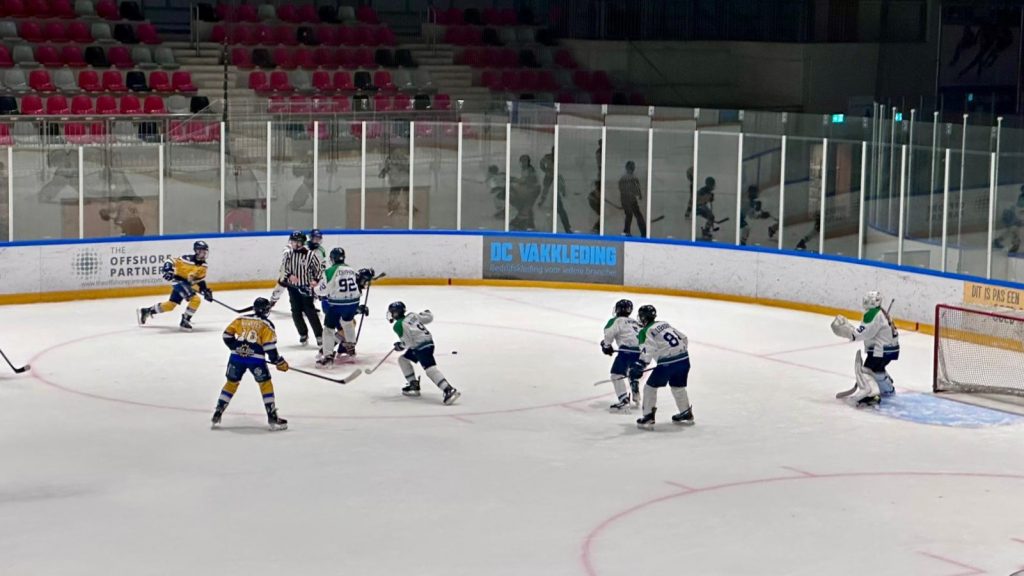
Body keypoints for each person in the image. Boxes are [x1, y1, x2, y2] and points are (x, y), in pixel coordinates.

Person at [211, 297, 289, 431]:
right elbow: (269, 347)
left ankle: (218, 412)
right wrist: (278, 361)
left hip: (236, 358)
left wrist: (238, 348)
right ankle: (272, 415)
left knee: (231, 383)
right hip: (256, 360)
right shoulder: (266, 324)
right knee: (265, 384)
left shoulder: (241, 319)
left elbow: (226, 336)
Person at [628, 305, 694, 430]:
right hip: (684, 359)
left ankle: (648, 416)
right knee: (678, 387)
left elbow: (647, 350)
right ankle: (685, 412)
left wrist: (641, 364)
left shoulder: (645, 331)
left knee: (650, 387)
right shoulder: (664, 323)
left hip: (668, 363)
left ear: (643, 318)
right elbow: (684, 338)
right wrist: (676, 352)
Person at [830, 290, 899, 407]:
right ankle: (888, 390)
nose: (865, 302)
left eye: (867, 300)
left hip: (880, 350)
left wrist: (848, 332)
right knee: (877, 371)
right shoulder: (882, 312)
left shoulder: (872, 313)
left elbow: (864, 333)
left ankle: (871, 395)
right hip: (891, 349)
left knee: (865, 371)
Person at [388, 301, 461, 405]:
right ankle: (413, 385)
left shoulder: (398, 325)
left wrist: (400, 346)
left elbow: (408, 343)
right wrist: (427, 313)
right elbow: (428, 318)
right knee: (403, 360)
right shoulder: (412, 315)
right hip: (429, 343)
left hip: (420, 347)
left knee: (430, 369)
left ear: (395, 313)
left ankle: (448, 389)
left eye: (392, 312)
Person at [315, 247, 373, 367]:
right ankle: (350, 347)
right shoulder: (351, 269)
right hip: (353, 303)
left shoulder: (330, 271)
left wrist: (314, 290)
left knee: (328, 329)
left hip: (337, 304)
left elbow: (323, 290)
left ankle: (328, 356)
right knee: (348, 323)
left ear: (332, 259)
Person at [138, 240, 212, 331]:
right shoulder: (186, 259)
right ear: (197, 251)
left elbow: (198, 280)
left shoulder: (204, 266)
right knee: (195, 300)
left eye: (205, 252)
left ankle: (147, 311)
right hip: (178, 282)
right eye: (202, 252)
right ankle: (185, 320)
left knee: (170, 305)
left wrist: (205, 290)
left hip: (186, 284)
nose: (204, 254)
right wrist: (168, 270)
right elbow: (170, 261)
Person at [271, 230, 324, 349]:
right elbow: (283, 269)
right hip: (292, 288)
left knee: (310, 311)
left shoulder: (310, 255)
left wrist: (315, 280)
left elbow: (319, 270)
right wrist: (289, 275)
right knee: (295, 311)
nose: (294, 244)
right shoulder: (289, 254)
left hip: (306, 287)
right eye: (293, 241)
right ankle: (303, 333)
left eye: (296, 242)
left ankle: (319, 336)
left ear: (302, 243)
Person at [601, 299, 642, 411]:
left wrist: (606, 346)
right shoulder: (636, 322)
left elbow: (609, 333)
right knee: (632, 372)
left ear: (618, 309)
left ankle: (624, 400)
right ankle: (635, 390)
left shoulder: (616, 320)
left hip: (626, 352)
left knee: (616, 375)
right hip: (640, 352)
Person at [539, 152, 573, 233]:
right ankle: (566, 228)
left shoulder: (556, 158)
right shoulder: (548, 157)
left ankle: (567, 227)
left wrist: (563, 190)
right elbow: (541, 163)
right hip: (549, 178)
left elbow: (561, 180)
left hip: (554, 179)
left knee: (559, 208)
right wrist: (546, 171)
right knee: (547, 192)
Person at [510, 154, 540, 230]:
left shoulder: (529, 169)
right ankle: (530, 224)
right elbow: (523, 180)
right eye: (522, 161)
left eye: (525, 161)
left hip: (533, 190)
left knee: (526, 206)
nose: (523, 163)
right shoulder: (525, 169)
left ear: (528, 162)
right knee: (527, 207)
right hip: (530, 190)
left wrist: (514, 180)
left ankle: (523, 223)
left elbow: (526, 180)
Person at [618, 161, 646, 237]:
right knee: (637, 215)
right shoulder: (633, 178)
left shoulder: (622, 178)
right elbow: (637, 190)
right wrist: (639, 195)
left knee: (629, 215)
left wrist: (623, 203)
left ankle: (626, 231)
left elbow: (621, 190)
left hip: (625, 200)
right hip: (631, 200)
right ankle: (644, 232)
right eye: (633, 167)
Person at [695, 177, 717, 241]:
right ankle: (706, 231)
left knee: (711, 217)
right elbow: (700, 200)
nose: (714, 186)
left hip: (701, 206)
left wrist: (710, 198)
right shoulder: (703, 191)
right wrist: (709, 198)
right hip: (699, 206)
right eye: (713, 185)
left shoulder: (708, 191)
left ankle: (706, 230)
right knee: (711, 216)